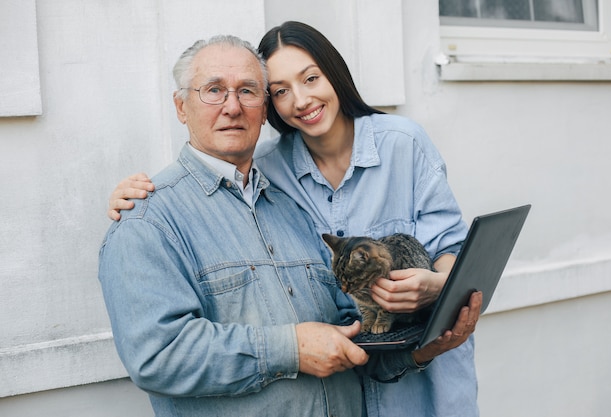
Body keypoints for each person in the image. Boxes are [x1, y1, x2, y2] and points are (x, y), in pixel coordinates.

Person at [108, 24, 482, 417]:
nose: (232, 107)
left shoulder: (288, 205)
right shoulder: (151, 216)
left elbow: (347, 328)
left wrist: (429, 330)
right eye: (214, 90)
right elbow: (157, 355)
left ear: (261, 109)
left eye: (248, 91)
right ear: (181, 106)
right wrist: (292, 349)